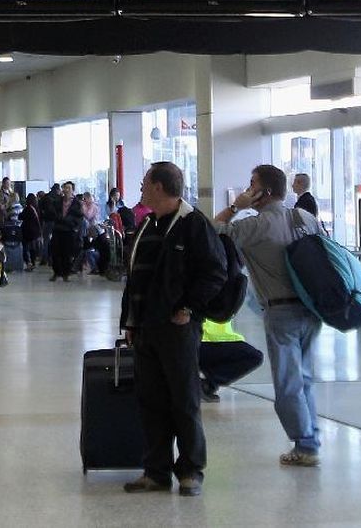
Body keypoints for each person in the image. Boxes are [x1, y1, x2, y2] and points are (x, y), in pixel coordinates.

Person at [120, 162, 227, 498]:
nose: (140, 188)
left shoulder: (192, 224)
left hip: (177, 328)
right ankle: (156, 471)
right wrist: (130, 322)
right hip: (146, 328)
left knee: (184, 399)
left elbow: (215, 272)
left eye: (144, 182)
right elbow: (135, 277)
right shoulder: (148, 224)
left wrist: (189, 308)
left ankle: (191, 470)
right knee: (150, 401)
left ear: (160, 187)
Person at [213, 164, 325, 467]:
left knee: (288, 381)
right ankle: (310, 437)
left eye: (252, 185)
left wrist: (237, 205)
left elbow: (214, 229)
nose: (248, 190)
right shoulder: (305, 217)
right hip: (312, 308)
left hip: (281, 311)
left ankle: (305, 444)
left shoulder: (255, 225)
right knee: (304, 377)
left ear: (265, 192)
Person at [198, 319, 263, 403]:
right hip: (212, 342)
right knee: (254, 356)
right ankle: (207, 384)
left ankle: (206, 384)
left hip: (195, 342)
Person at [48, 181, 85, 282]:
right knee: (55, 252)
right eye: (65, 188)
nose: (67, 190)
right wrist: (59, 218)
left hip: (69, 231)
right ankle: (56, 272)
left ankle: (65, 273)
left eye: (69, 188)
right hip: (58, 230)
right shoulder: (57, 201)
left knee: (67, 253)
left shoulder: (77, 203)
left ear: (72, 190)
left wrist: (71, 222)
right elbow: (52, 213)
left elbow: (79, 217)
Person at [40, 183, 63, 266]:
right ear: (57, 189)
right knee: (56, 241)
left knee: (46, 241)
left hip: (47, 222)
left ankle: (44, 259)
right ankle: (53, 259)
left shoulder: (46, 197)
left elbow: (40, 208)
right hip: (57, 222)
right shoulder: (60, 198)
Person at [21, 193, 42, 272]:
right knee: (33, 248)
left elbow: (21, 216)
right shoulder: (36, 208)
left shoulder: (28, 208)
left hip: (27, 231)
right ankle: (33, 263)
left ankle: (28, 263)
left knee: (25, 248)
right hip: (35, 231)